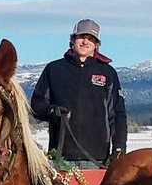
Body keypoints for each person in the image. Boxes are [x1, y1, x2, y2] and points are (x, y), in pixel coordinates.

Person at [30, 18, 127, 168]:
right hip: (61, 157)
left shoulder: (107, 72)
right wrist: (52, 111)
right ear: (72, 40)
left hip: (98, 158)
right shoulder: (54, 69)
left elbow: (118, 114)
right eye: (81, 37)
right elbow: (37, 104)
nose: (85, 42)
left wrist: (119, 147)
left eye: (90, 39)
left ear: (96, 45)